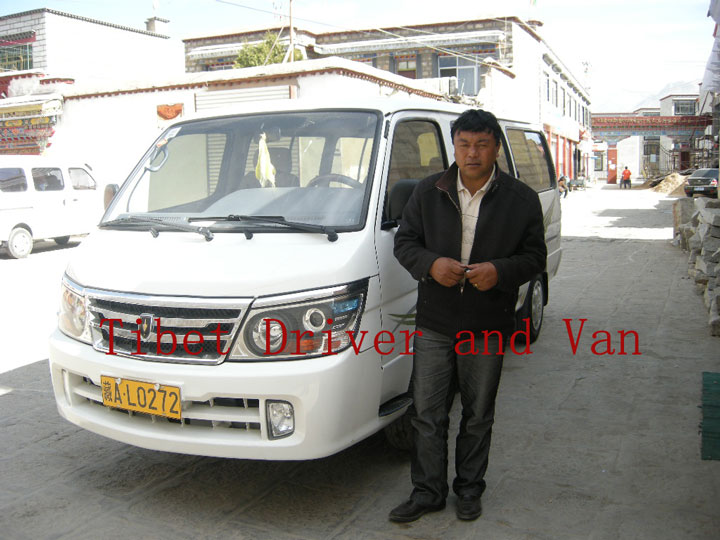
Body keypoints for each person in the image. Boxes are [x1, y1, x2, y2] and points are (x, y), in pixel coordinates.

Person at [390, 109, 547, 523]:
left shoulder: (521, 200)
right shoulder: (428, 192)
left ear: (496, 148)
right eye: (464, 144)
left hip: (487, 323)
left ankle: (469, 489)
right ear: (454, 146)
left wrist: (500, 272)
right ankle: (427, 492)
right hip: (435, 322)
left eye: (481, 144)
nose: (472, 153)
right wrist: (430, 264)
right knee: (427, 413)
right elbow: (405, 243)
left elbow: (535, 257)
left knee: (478, 414)